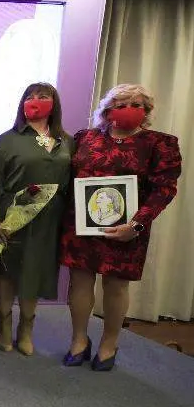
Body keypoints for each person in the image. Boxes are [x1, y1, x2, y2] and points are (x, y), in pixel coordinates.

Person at [61, 84, 181, 371]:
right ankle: (79, 340)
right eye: (121, 103)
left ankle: (108, 344)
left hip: (127, 228)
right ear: (107, 109)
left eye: (137, 104)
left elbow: (164, 189)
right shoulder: (84, 138)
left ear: (147, 111)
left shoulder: (160, 143)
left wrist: (136, 225)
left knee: (116, 286)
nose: (129, 108)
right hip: (82, 225)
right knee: (80, 282)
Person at [0, 83, 72, 355]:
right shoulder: (6, 140)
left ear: (54, 104)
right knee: (8, 271)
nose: (35, 101)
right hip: (13, 218)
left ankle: (26, 329)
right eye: (29, 97)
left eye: (42, 97)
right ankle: (4, 328)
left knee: (35, 271)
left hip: (48, 221)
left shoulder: (66, 141)